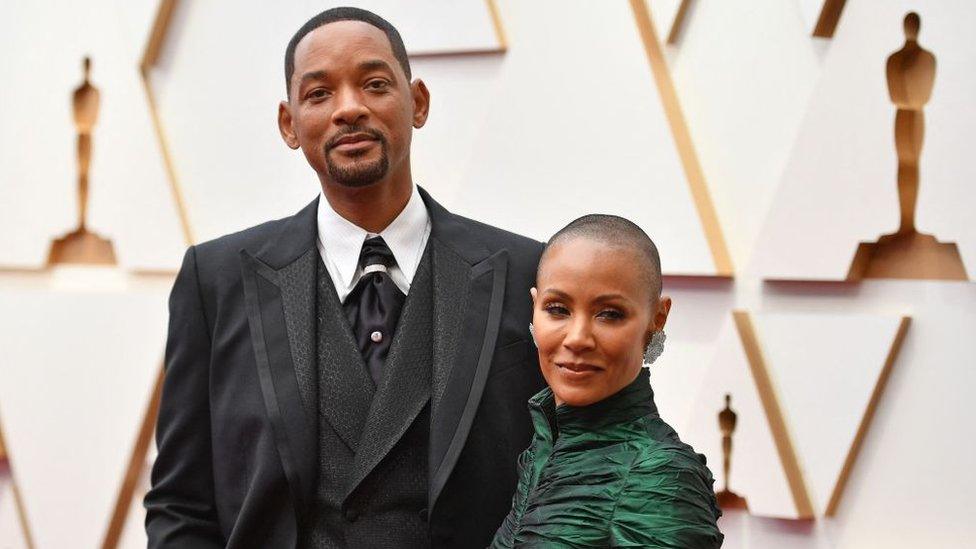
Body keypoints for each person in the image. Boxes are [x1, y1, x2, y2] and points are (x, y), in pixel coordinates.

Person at [144, 7, 545, 548]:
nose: (349, 109)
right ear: (289, 124)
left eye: (375, 84)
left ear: (418, 102)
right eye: (319, 94)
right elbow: (181, 504)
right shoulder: (214, 280)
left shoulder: (523, 273)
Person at [491, 215, 723, 548]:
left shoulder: (659, 474)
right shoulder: (541, 450)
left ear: (657, 318)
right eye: (557, 309)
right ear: (534, 308)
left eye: (610, 314)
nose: (578, 338)